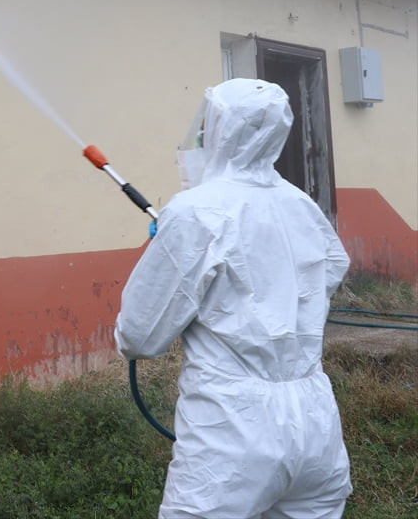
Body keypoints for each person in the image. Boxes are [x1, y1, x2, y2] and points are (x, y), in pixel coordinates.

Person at [115, 78, 352, 519]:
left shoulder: (194, 211)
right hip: (316, 423)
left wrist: (175, 254)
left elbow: (140, 337)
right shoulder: (302, 205)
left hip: (233, 431)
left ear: (222, 132)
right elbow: (332, 267)